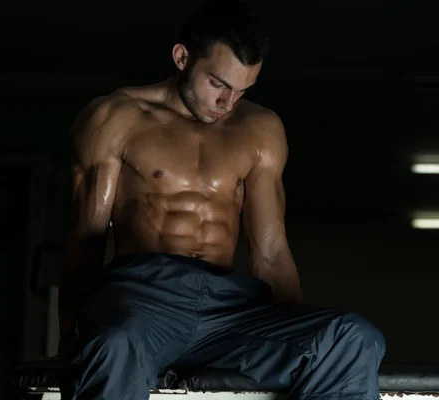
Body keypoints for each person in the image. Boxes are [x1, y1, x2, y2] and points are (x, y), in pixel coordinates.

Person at [58, 0, 386, 399]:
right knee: (113, 346)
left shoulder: (260, 128)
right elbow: (86, 239)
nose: (227, 104)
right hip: (143, 301)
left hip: (229, 309)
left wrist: (294, 327)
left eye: (242, 90)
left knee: (349, 338)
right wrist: (68, 338)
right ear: (182, 57)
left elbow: (270, 251)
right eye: (218, 84)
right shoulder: (115, 118)